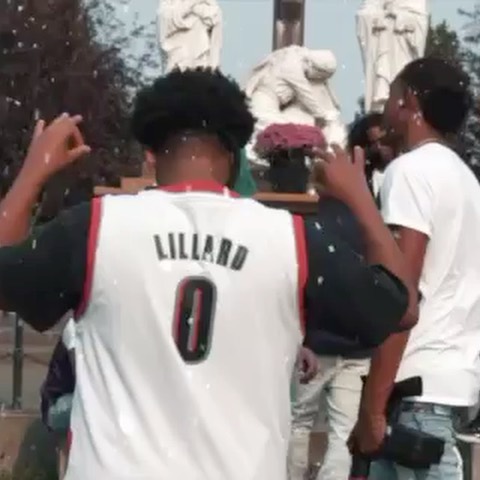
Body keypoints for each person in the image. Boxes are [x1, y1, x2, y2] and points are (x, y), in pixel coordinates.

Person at [0, 68, 413, 480]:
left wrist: (34, 172)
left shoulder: (95, 227)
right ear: (235, 153)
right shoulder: (291, 239)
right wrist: (361, 200)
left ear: (151, 151)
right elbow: (402, 307)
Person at [349, 57, 480, 480]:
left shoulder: (409, 172)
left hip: (415, 390)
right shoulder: (466, 180)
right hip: (451, 381)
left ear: (409, 101)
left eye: (390, 95)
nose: (386, 107)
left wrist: (372, 408)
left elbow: (398, 294)